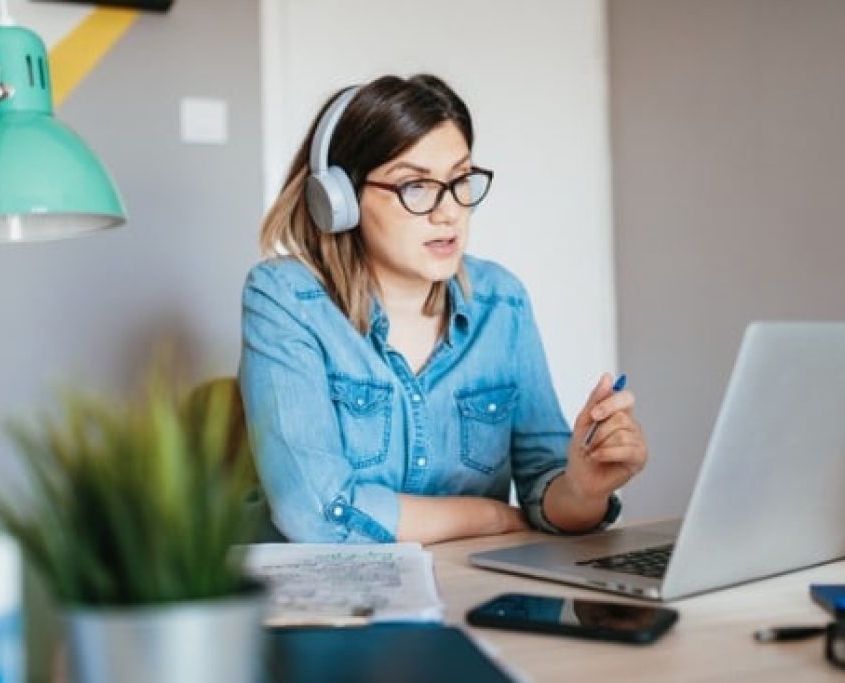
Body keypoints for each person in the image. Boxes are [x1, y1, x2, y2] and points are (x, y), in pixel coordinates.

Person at [240, 74, 648, 545]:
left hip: (466, 591)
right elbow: (317, 513)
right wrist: (492, 517)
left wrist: (582, 488)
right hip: (334, 603)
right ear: (340, 200)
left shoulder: (502, 301)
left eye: (460, 180)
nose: (449, 212)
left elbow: (547, 490)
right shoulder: (285, 298)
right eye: (415, 186)